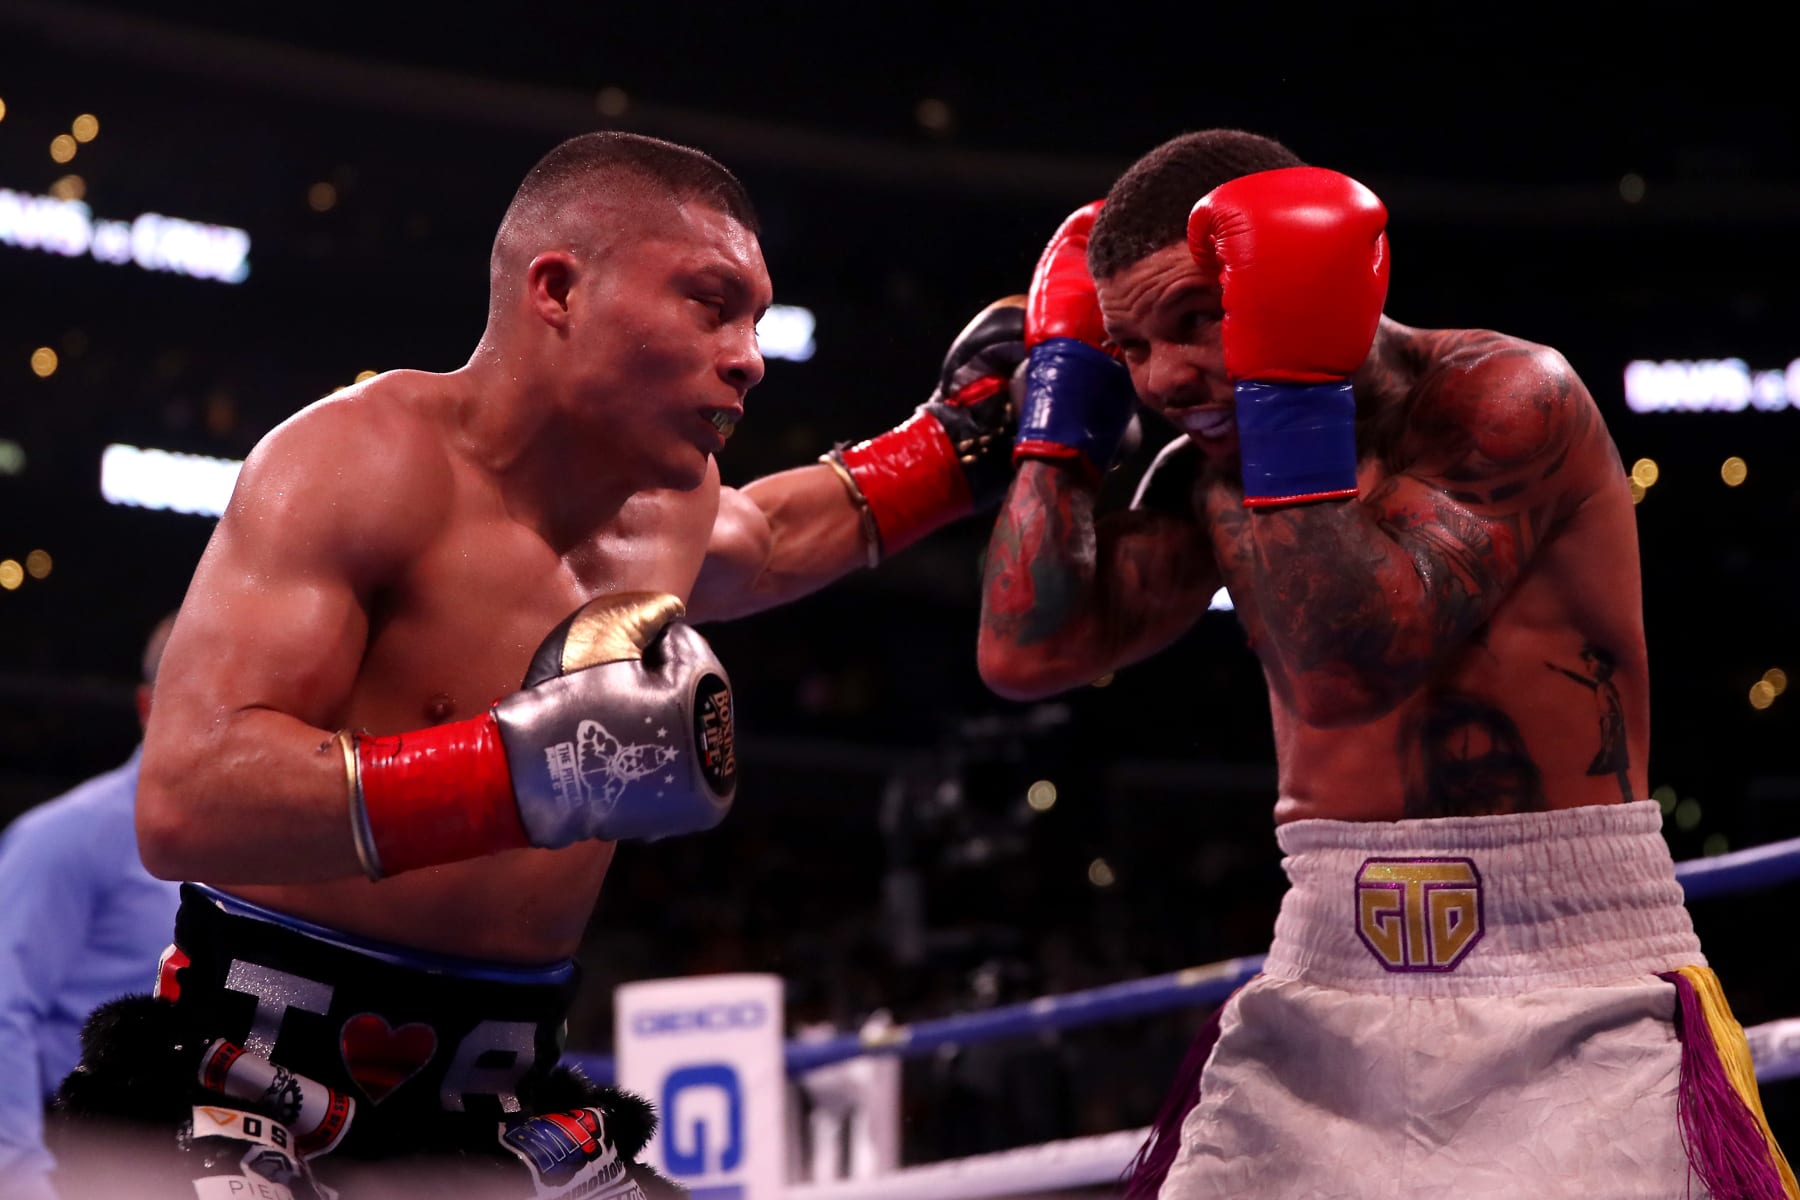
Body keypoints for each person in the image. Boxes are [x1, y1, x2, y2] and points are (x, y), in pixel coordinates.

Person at [52, 131, 1025, 1199]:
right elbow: (184, 802)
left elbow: (777, 537)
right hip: (253, 1070)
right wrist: (517, 772)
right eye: (712, 304)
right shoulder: (354, 463)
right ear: (557, 289)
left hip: (507, 1104)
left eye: (754, 317)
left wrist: (954, 446)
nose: (750, 353)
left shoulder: (677, 504)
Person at [977, 128, 1796, 1198]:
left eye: (1200, 318)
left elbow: (1350, 666)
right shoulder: (1208, 474)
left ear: (1304, 279)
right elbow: (1025, 652)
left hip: (1571, 975)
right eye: (1128, 348)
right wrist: (1056, 428)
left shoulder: (1506, 402)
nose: (1170, 376)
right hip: (1324, 966)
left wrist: (1286, 389)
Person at [0, 615, 183, 1200]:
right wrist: (20, 1176)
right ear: (147, 707)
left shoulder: (269, 851)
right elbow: (3, 1007)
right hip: (74, 1159)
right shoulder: (66, 836)